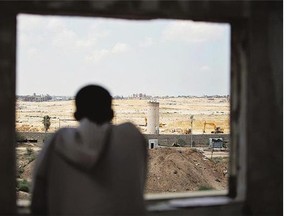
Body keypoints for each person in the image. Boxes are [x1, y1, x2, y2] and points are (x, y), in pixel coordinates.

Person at [31, 85, 147, 215]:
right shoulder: (131, 138)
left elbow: (38, 197)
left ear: (76, 115)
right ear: (111, 113)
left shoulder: (58, 141)